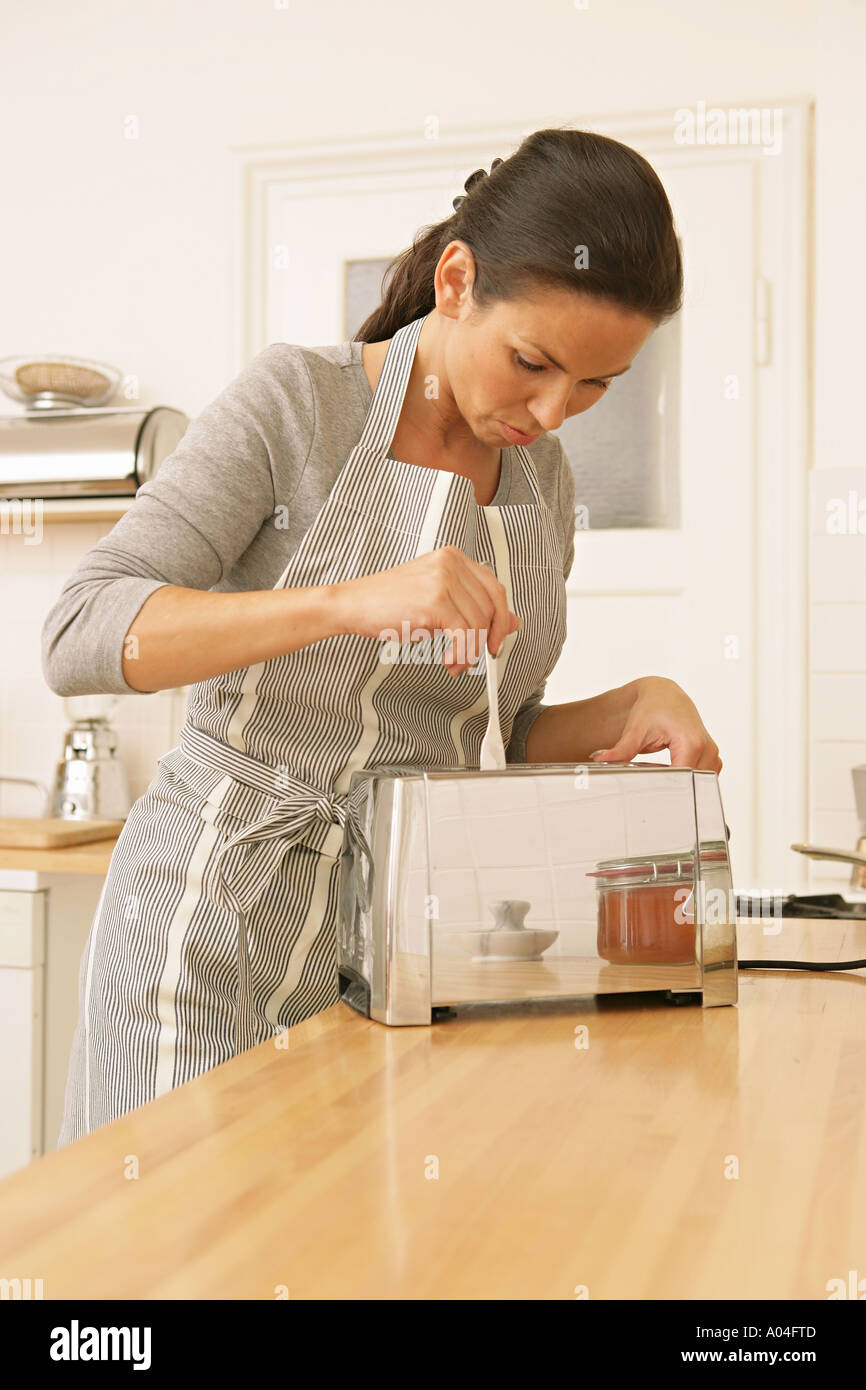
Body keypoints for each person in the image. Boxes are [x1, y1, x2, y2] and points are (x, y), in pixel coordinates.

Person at [42, 125, 721, 1145]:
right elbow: (80, 630)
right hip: (204, 925)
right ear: (456, 281)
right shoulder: (297, 404)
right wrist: (348, 599)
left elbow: (482, 731)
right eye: (531, 362)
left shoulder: (542, 479)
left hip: (393, 944)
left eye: (592, 385)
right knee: (176, 1256)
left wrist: (625, 708)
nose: (551, 410)